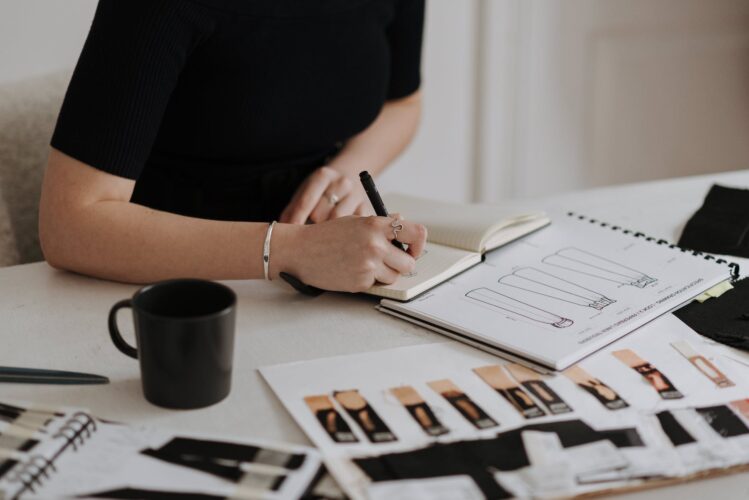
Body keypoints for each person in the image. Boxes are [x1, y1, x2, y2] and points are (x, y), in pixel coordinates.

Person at [38, 0, 428, 292]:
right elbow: (69, 225)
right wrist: (294, 251)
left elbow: (403, 102)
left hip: (322, 272)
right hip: (166, 288)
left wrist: (348, 170)